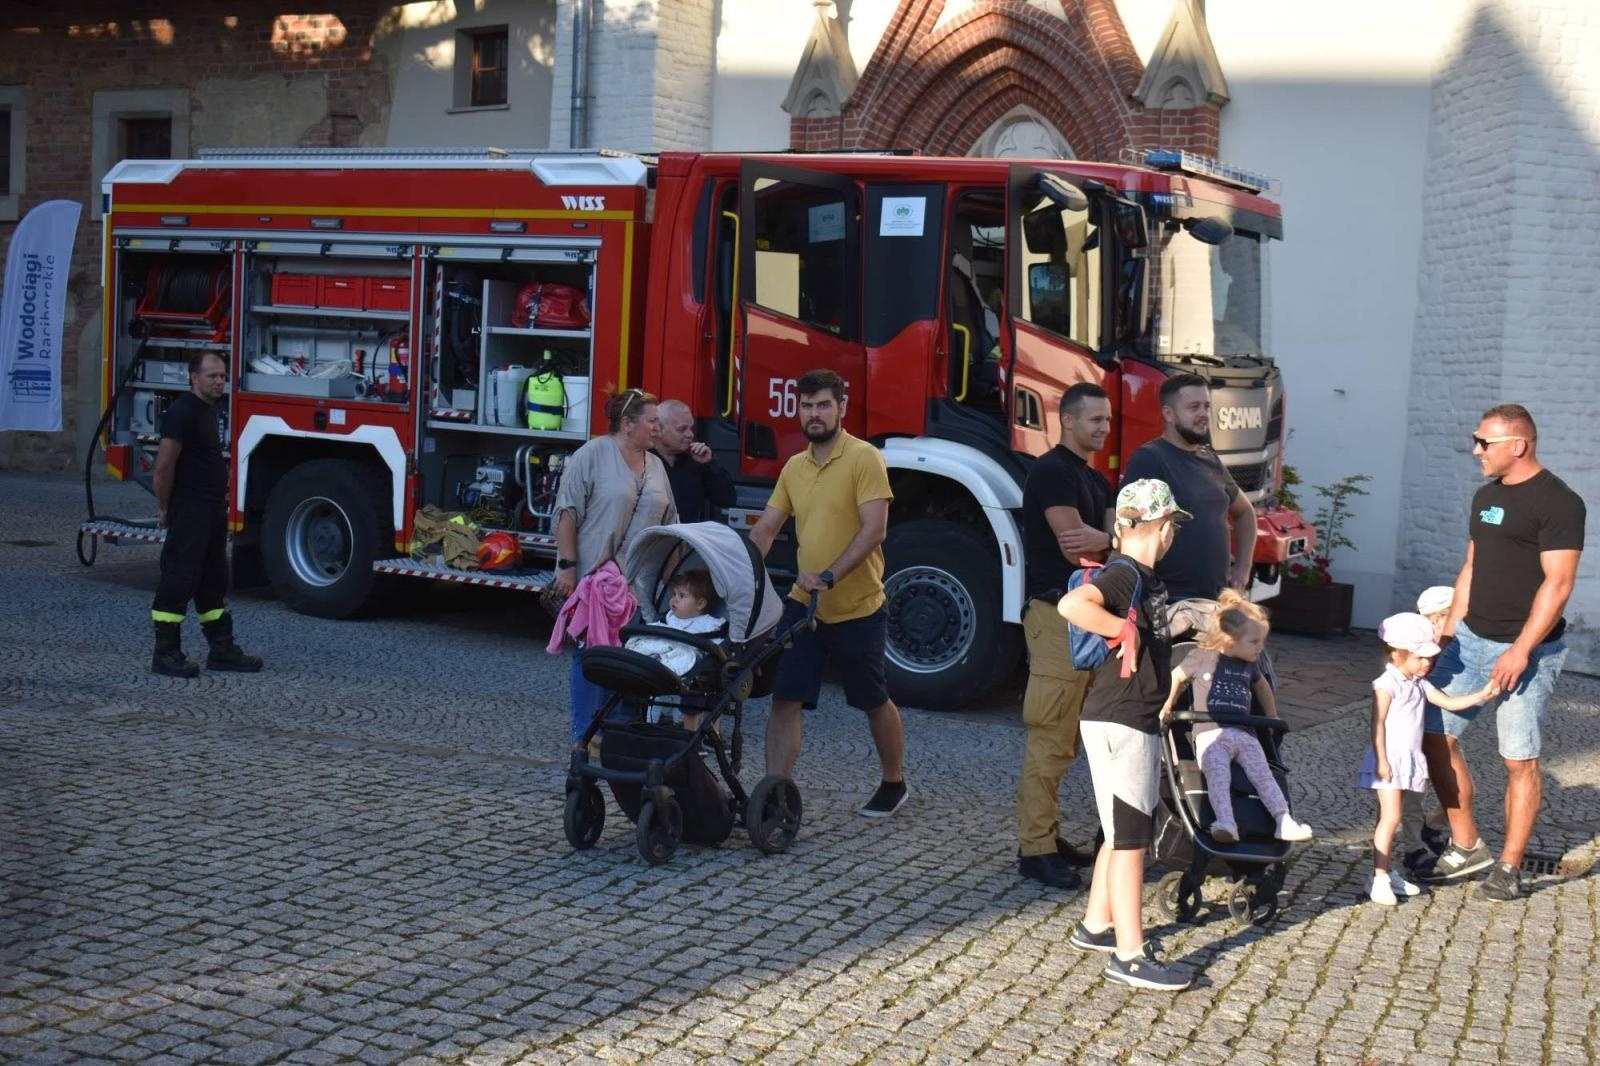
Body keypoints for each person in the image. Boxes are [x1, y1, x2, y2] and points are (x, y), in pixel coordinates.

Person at [1417, 404, 1585, 900]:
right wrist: (1445, 637)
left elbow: (1558, 585)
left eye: (1483, 443)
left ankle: (1509, 868)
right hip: (1469, 640)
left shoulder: (1560, 503)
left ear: (1518, 444)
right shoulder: (1485, 496)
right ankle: (1467, 846)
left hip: (1529, 650)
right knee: (1432, 736)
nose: (1475, 451)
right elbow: (1470, 567)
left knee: (1518, 760)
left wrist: (1521, 651)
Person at [747, 368, 907, 817]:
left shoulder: (864, 458)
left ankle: (893, 782)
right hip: (804, 607)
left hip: (857, 606)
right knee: (785, 697)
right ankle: (777, 795)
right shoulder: (794, 467)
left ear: (840, 407)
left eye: (823, 405)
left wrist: (830, 576)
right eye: (807, 406)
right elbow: (766, 528)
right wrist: (736, 569)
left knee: (873, 699)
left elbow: (875, 530)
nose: (814, 414)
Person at [1057, 478, 1189, 991]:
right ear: (1161, 527)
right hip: (1123, 719)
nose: (1173, 533)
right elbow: (1074, 607)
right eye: (1172, 525)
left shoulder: (1139, 576)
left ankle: (1096, 926)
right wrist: (1120, 630)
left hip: (1121, 715)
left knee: (1118, 830)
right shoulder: (1125, 572)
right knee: (1133, 838)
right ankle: (1130, 956)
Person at [1016, 382, 1114, 889]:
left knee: (1069, 738)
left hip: (1082, 619)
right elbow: (1080, 549)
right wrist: (1114, 541)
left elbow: (1110, 543)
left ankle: (1048, 837)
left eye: (1107, 419)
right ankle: (1034, 850)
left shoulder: (1093, 477)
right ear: (1067, 421)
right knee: (1050, 735)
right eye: (1094, 419)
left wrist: (1111, 540)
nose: (1103, 427)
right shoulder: (1053, 471)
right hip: (1057, 616)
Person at [552, 389, 678, 744]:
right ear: (627, 424)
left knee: (633, 661)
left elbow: (670, 522)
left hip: (638, 587)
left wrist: (674, 583)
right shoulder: (591, 455)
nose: (658, 429)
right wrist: (567, 568)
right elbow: (567, 513)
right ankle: (586, 735)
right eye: (652, 422)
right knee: (592, 657)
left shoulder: (656, 465)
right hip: (595, 579)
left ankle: (620, 735)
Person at [1361, 613, 1500, 905]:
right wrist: (1382, 760)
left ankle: (1385, 871)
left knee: (1389, 817)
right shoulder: (1387, 684)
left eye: (1429, 658)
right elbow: (1378, 724)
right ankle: (1379, 877)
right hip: (1390, 760)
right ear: (1398, 654)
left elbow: (1449, 702)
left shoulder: (1418, 684)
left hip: (1408, 760)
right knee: (1391, 817)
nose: (1427, 664)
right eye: (1420, 658)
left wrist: (1483, 694)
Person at [1158, 590, 1314, 844]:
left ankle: (1283, 820)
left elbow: (1263, 687)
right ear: (1229, 640)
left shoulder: (1249, 666)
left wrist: (1272, 716)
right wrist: (1167, 704)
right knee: (1218, 776)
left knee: (1263, 775)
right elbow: (1176, 676)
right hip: (1210, 733)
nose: (1259, 648)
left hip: (1244, 733)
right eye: (1254, 642)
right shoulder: (1201, 657)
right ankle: (1225, 821)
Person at [149, 352, 262, 677]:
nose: (219, 381)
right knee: (179, 578)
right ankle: (166, 654)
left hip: (211, 509)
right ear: (193, 377)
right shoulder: (182, 412)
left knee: (213, 580)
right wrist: (164, 506)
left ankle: (222, 649)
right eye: (212, 375)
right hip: (190, 508)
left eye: (223, 376)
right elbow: (164, 467)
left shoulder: (207, 411)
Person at [1122, 373, 1256, 603]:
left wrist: (1243, 567)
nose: (1204, 414)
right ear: (1169, 413)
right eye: (1194, 407)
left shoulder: (1210, 460)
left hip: (1215, 600)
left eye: (1206, 406)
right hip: (1171, 602)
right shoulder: (1150, 459)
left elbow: (1245, 512)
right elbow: (1128, 529)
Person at [1399, 585, 1457, 872]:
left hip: (1435, 731)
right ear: (1435, 619)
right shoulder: (1415, 652)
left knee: (1454, 784)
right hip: (1410, 737)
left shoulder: (1449, 647)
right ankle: (1413, 848)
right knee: (1413, 794)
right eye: (1453, 617)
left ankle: (1431, 827)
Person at [624, 569, 724, 730]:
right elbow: (655, 630)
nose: (674, 600)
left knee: (708, 688)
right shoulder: (669, 617)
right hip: (664, 665)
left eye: (681, 596)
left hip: (693, 674)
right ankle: (649, 723)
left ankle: (699, 731)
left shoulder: (710, 625)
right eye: (674, 594)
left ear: (700, 604)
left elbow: (718, 649)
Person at [655, 399, 736, 523]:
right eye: (682, 429)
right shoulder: (642, 461)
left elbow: (727, 500)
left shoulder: (695, 462)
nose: (690, 434)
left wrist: (709, 464)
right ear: (659, 430)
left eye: (690, 428)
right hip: (652, 538)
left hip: (685, 539)